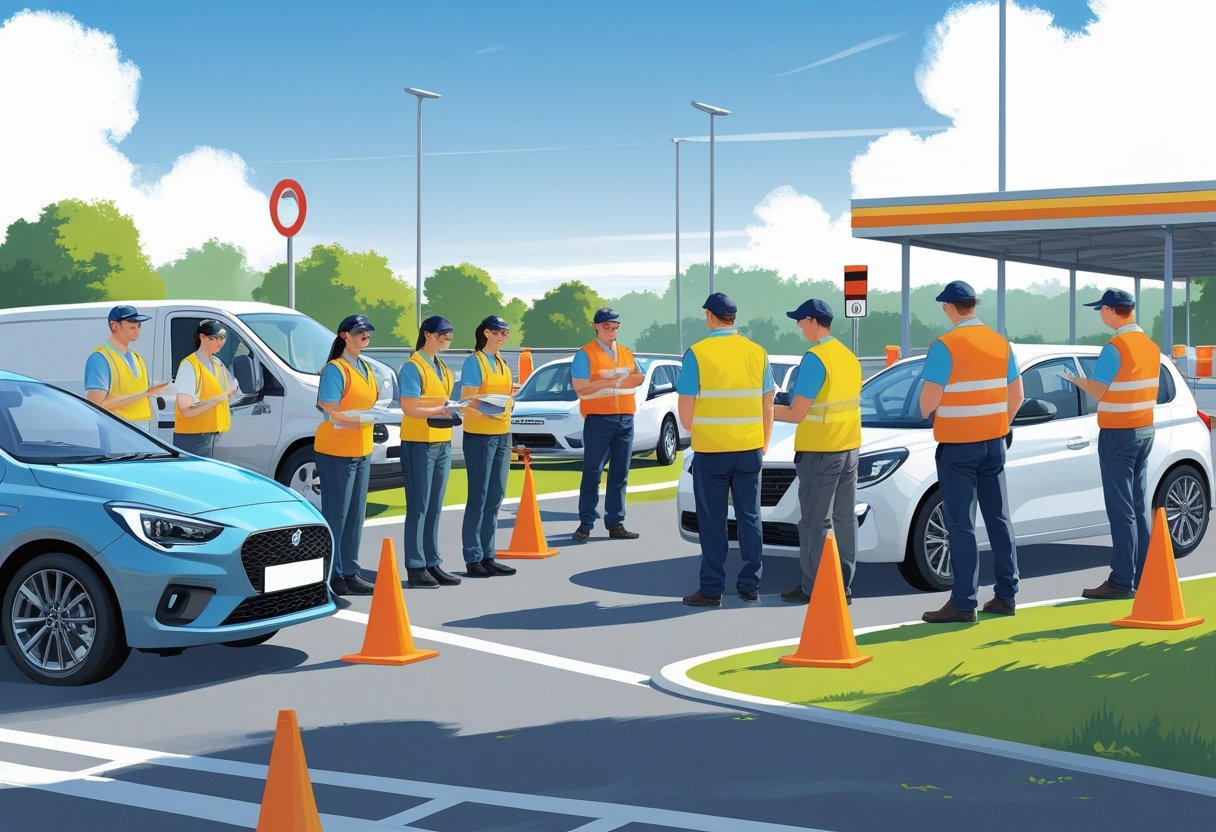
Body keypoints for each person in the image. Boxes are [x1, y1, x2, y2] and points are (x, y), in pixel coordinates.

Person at [918, 280, 1023, 623]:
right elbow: (1017, 397)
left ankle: (964, 603)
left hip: (958, 448)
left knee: (961, 524)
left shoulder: (945, 346)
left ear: (949, 307)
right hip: (994, 444)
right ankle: (1006, 595)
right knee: (999, 518)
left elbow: (926, 403)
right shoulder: (1001, 344)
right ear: (973, 305)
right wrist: (999, 425)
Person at [677, 292, 775, 607]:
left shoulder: (697, 353)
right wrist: (763, 443)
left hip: (712, 452)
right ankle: (749, 586)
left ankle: (711, 590)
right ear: (733, 318)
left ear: (709, 315)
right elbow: (768, 404)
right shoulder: (757, 352)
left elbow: (685, 417)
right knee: (750, 517)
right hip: (750, 449)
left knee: (712, 521)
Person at [1062, 288, 1159, 599]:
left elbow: (1098, 391)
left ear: (1110, 310)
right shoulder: (1150, 346)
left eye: (1101, 309)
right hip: (1144, 430)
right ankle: (1145, 577)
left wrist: (1075, 380)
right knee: (1139, 507)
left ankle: (1120, 581)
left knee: (1121, 510)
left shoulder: (1115, 347)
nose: (1100, 314)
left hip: (1118, 434)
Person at [773, 299, 861, 606]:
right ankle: (843, 587)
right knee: (844, 519)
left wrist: (763, 410)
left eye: (800, 320)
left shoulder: (814, 358)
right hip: (849, 448)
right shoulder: (848, 357)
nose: (799, 326)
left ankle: (815, 587)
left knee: (814, 522)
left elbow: (797, 413)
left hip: (820, 452)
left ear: (813, 321)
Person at [315, 314, 379, 597]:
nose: (366, 337)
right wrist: (360, 420)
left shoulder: (365, 367)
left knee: (355, 516)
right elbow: (330, 409)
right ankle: (334, 574)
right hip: (337, 450)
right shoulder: (334, 369)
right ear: (344, 336)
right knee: (337, 516)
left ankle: (351, 571)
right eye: (360, 333)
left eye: (368, 333)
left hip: (361, 448)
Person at [570, 307, 645, 542]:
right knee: (592, 472)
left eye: (615, 327)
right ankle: (586, 524)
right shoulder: (585, 354)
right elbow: (581, 388)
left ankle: (615, 523)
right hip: (598, 419)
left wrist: (613, 381)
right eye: (607, 327)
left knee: (620, 473)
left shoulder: (626, 353)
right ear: (595, 326)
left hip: (625, 419)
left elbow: (639, 377)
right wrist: (610, 381)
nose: (612, 331)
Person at [398, 315, 461, 588]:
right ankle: (415, 566)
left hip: (442, 440)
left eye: (449, 335)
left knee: (434, 506)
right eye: (442, 335)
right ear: (427, 334)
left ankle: (432, 562)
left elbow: (442, 400)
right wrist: (441, 409)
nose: (447, 339)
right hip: (419, 442)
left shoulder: (443, 367)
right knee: (419, 507)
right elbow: (410, 408)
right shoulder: (413, 367)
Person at [458, 315, 519, 578]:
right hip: (480, 436)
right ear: (486, 333)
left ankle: (488, 555)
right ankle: (473, 557)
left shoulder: (502, 362)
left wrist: (509, 399)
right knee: (479, 497)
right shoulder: (475, 362)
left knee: (496, 496)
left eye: (506, 333)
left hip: (502, 433)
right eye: (498, 332)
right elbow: (468, 402)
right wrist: (493, 406)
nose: (503, 337)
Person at [84, 305, 169, 427]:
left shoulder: (137, 357)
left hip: (141, 429)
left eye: (139, 326)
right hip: (115, 429)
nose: (137, 330)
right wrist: (145, 394)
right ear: (115, 326)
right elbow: (95, 404)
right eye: (132, 327)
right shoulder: (99, 358)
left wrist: (151, 392)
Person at [172, 319, 242, 458]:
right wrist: (220, 397)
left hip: (213, 437)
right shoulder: (189, 365)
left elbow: (230, 391)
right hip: (192, 439)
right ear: (202, 337)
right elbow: (186, 410)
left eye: (223, 338)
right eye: (214, 338)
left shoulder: (218, 363)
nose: (220, 342)